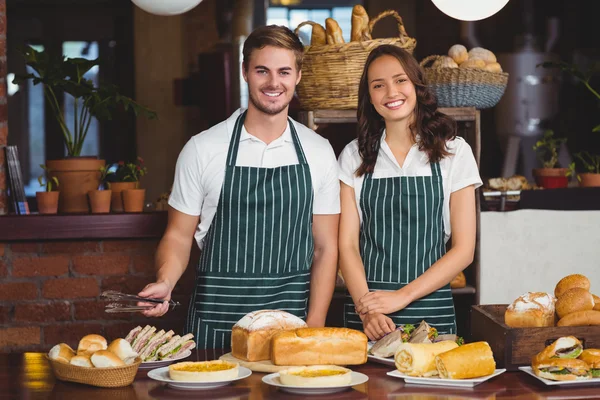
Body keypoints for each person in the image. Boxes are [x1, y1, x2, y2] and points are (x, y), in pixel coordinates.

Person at [138, 25, 340, 349]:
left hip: (290, 331)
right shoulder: (202, 148)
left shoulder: (319, 151)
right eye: (263, 71)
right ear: (245, 72)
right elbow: (177, 235)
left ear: (298, 76)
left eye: (284, 71)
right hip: (217, 330)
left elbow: (326, 248)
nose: (274, 83)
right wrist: (165, 280)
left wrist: (314, 326)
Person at [338, 45, 482, 341]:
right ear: (370, 97)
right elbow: (347, 246)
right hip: (370, 313)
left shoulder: (454, 152)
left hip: (432, 313)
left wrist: (402, 297)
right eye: (378, 85)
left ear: (417, 85)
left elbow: (464, 250)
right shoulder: (354, 155)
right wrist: (368, 310)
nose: (391, 92)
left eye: (400, 80)